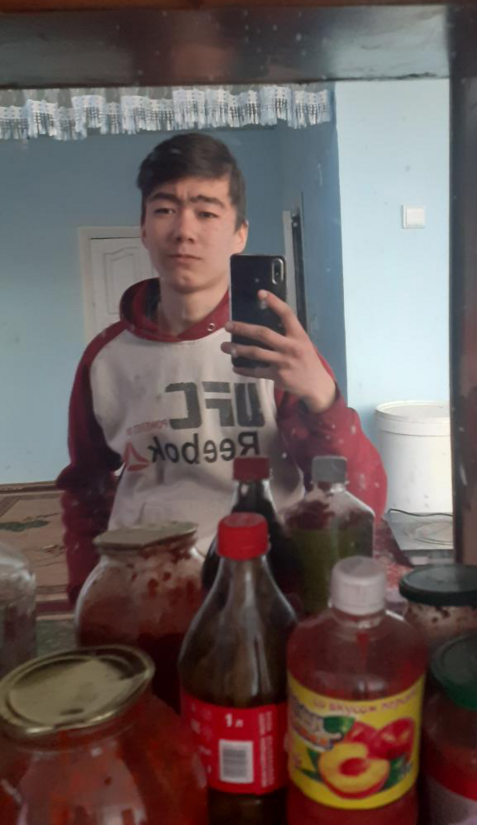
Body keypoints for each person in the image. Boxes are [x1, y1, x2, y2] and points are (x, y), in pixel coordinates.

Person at [57, 132, 387, 602]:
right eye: (165, 209)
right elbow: (84, 488)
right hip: (144, 583)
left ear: (240, 235)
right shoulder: (106, 358)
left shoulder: (278, 350)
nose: (184, 230)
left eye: (207, 213)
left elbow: (362, 499)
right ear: (144, 228)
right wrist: (85, 590)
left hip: (266, 580)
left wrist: (323, 400)